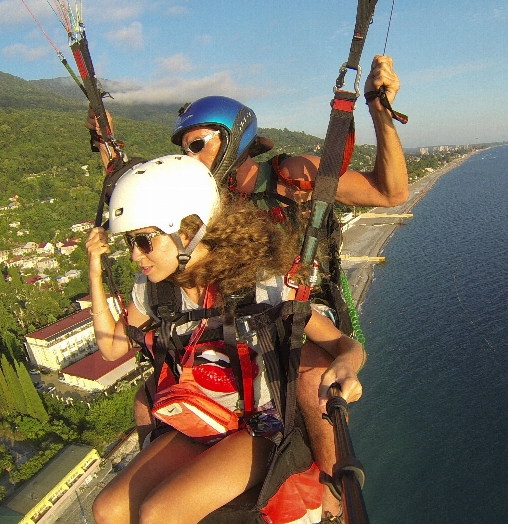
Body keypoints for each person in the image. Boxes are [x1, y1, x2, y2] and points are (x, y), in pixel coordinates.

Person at [89, 54, 405, 520]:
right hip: (233, 309)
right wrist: (106, 148)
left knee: (310, 379)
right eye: (183, 149)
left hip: (293, 304)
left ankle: (332, 493)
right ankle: (176, 473)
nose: (188, 157)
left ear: (233, 139)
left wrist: (380, 115)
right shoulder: (202, 203)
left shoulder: (288, 175)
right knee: (146, 397)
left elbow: (389, 193)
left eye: (197, 144)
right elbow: (149, 212)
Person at [87, 155, 365, 524]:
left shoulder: (259, 284)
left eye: (144, 241)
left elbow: (344, 346)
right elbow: (111, 347)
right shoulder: (155, 291)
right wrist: (94, 271)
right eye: (130, 243)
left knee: (159, 514)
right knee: (106, 510)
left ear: (188, 231)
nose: (136, 256)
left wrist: (346, 366)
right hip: (197, 419)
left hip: (258, 428)